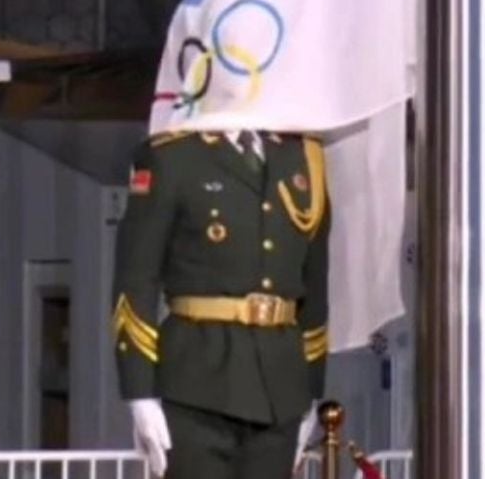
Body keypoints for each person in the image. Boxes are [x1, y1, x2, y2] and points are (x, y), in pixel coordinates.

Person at [111, 129, 330, 478]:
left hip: (280, 386)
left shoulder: (301, 157)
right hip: (197, 381)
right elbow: (136, 279)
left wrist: (312, 390)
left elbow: (314, 287)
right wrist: (140, 393)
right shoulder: (172, 156)